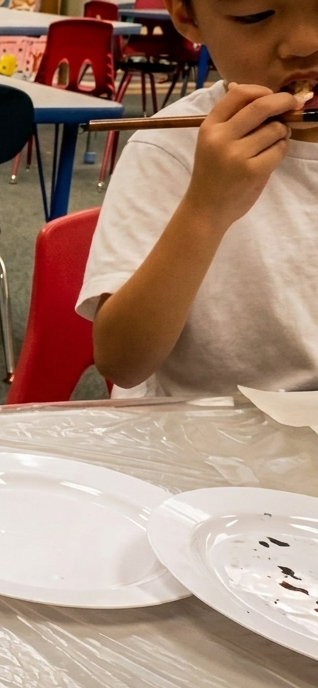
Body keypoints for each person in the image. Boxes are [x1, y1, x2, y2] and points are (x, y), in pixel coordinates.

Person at [78, 0, 318, 398]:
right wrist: (206, 208)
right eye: (254, 16)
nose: (306, 43)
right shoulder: (169, 150)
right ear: (187, 17)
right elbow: (122, 362)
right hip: (206, 435)